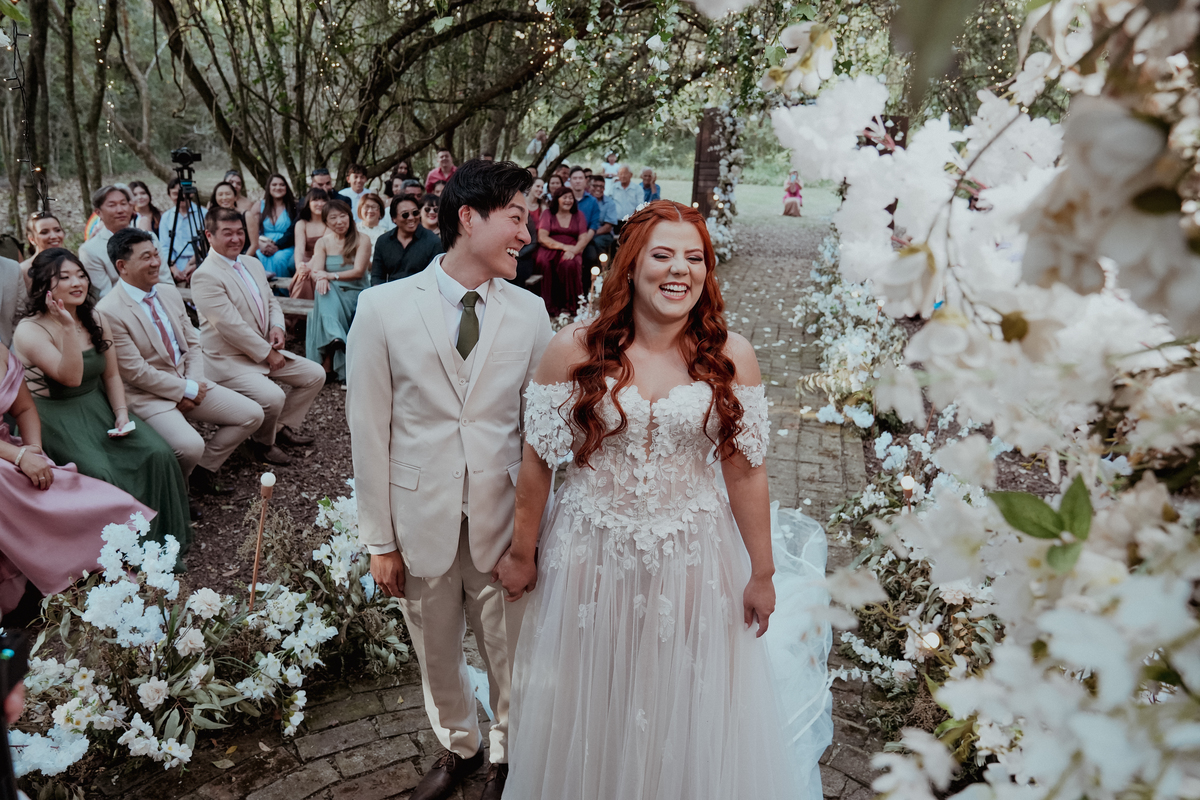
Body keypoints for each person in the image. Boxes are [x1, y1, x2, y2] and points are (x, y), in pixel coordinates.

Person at [497, 200, 832, 800]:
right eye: (664, 255)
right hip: (589, 551)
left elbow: (746, 473)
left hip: (694, 555)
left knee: (682, 692)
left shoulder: (731, 356)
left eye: (695, 257)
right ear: (631, 266)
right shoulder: (572, 348)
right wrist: (523, 553)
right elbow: (537, 464)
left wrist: (761, 572)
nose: (681, 269)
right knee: (592, 692)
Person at [346, 158, 552, 800]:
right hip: (418, 519)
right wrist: (380, 540)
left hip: (501, 520)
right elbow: (367, 430)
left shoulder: (530, 313)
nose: (527, 234)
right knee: (435, 652)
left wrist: (531, 537)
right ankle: (459, 746)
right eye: (516, 218)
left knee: (508, 653)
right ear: (469, 216)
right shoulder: (381, 308)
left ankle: (507, 757)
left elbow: (539, 433)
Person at [12, 248, 192, 557]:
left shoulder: (95, 317)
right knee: (101, 471)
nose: (77, 283)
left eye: (81, 275)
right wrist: (67, 327)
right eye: (65, 277)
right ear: (44, 286)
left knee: (158, 453)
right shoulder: (30, 330)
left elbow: (111, 375)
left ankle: (162, 541)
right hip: (53, 418)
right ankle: (117, 557)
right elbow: (70, 377)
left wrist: (121, 413)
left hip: (98, 405)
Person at [96, 228, 263, 495]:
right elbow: (135, 372)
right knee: (189, 446)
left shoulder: (167, 292)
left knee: (251, 414)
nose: (156, 263)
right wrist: (185, 390)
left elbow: (193, 343)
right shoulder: (108, 311)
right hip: (147, 395)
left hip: (189, 380)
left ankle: (202, 470)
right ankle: (179, 493)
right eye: (146, 257)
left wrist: (194, 384)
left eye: (156, 254)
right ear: (122, 266)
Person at [0, 338, 153, 616]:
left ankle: (97, 565)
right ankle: (62, 578)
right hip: (6, 459)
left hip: (11, 449)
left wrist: (34, 450)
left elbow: (24, 409)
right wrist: (19, 457)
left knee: (54, 486)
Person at [190, 208, 325, 467]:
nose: (236, 239)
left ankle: (277, 428)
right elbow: (230, 326)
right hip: (229, 359)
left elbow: (270, 300)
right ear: (209, 235)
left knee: (314, 375)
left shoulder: (251, 263)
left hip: (262, 349)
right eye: (227, 233)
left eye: (240, 232)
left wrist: (277, 327)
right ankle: (263, 445)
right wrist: (268, 353)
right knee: (273, 397)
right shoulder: (205, 275)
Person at [305, 199, 370, 383]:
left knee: (323, 294)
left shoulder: (362, 239)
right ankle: (335, 339)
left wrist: (329, 276)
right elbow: (316, 272)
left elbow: (358, 272)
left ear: (350, 217)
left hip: (355, 292)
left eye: (343, 216)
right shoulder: (323, 242)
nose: (339, 221)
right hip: (331, 293)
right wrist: (322, 277)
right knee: (323, 289)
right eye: (333, 218)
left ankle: (331, 348)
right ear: (326, 222)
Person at [79, 185, 171, 297]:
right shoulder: (90, 250)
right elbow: (104, 294)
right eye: (112, 205)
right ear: (98, 212)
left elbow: (165, 280)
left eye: (123, 204)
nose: (120, 210)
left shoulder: (150, 238)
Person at [535, 187, 587, 317]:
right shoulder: (548, 213)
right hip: (550, 247)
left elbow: (583, 238)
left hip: (572, 249)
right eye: (565, 197)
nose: (568, 200)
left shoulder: (579, 215)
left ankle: (569, 305)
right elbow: (542, 237)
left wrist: (574, 251)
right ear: (557, 199)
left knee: (569, 264)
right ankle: (546, 305)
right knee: (543, 262)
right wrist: (563, 247)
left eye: (571, 198)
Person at [370, 195, 443, 285]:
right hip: (391, 291)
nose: (411, 218)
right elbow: (377, 277)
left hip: (421, 291)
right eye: (405, 215)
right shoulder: (383, 241)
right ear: (394, 219)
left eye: (415, 213)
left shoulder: (433, 242)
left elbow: (435, 279)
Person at [159, 178, 208, 284]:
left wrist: (194, 264)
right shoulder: (167, 217)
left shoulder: (204, 214)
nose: (181, 197)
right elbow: (164, 245)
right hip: (175, 265)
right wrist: (173, 268)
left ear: (191, 193)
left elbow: (207, 243)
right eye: (175, 194)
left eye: (184, 193)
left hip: (201, 263)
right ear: (169, 196)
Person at [253, 174, 298, 280]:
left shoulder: (294, 206)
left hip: (286, 244)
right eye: (274, 185)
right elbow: (252, 231)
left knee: (279, 258)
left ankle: (283, 288)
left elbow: (294, 231)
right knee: (259, 255)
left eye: (282, 185)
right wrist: (259, 244)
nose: (278, 187)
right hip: (263, 243)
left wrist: (278, 246)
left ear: (286, 187)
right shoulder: (259, 205)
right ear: (268, 187)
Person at [291, 188, 330, 300]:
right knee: (302, 277)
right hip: (306, 262)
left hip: (325, 261)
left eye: (323, 200)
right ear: (308, 203)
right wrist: (299, 266)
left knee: (311, 274)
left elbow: (322, 250)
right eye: (315, 200)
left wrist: (309, 266)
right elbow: (299, 248)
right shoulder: (301, 223)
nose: (320, 204)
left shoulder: (330, 223)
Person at [19, 212, 64, 292]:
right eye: (44, 232)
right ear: (31, 239)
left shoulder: (73, 264)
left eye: (57, 230)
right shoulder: (23, 270)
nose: (54, 236)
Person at [207, 181, 253, 255]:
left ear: (235, 197)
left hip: (244, 256)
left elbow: (254, 245)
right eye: (220, 194)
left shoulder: (247, 215)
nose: (224, 198)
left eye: (228, 194)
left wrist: (241, 261)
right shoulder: (212, 217)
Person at [588, 175, 619, 260]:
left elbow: (608, 227)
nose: (598, 189)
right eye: (595, 186)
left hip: (603, 234)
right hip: (584, 233)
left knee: (597, 242)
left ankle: (601, 265)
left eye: (601, 186)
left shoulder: (609, 203)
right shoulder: (584, 200)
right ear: (589, 186)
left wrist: (590, 235)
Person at [356, 192, 393, 256]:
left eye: (374, 207)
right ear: (360, 209)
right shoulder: (353, 230)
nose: (370, 211)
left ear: (380, 210)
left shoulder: (386, 234)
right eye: (366, 207)